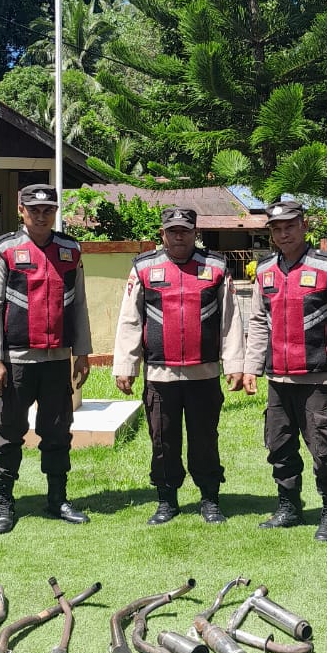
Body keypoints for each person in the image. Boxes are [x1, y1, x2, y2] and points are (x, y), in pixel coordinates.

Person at [113, 207, 245, 524]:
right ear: (163, 234)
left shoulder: (215, 267)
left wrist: (235, 363)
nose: (179, 236)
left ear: (195, 233)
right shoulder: (143, 267)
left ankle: (210, 498)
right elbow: (130, 319)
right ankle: (166, 500)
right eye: (173, 231)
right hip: (160, 375)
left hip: (204, 374)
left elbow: (230, 319)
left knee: (205, 440)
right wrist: (126, 365)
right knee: (163, 441)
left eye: (185, 231)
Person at [243, 199, 327, 541]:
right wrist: (251, 367)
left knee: (326, 450)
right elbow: (258, 321)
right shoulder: (264, 270)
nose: (284, 234)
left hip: (317, 379)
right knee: (279, 446)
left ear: (304, 226)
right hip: (278, 379)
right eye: (277, 229)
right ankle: (289, 507)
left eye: (290, 226)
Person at [0, 183, 92, 533]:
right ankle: (3, 503)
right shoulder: (4, 251)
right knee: (10, 431)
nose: (41, 217)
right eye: (34, 210)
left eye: (48, 210)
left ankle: (57, 498)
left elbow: (79, 304)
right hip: (15, 361)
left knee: (58, 432)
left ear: (56, 212)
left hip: (58, 360)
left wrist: (82, 353)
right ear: (21, 210)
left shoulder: (70, 251)